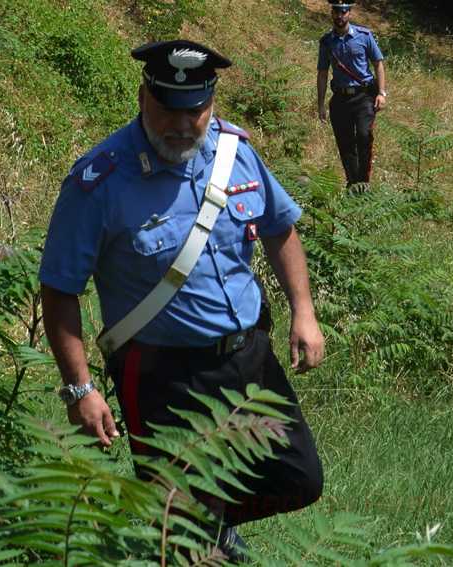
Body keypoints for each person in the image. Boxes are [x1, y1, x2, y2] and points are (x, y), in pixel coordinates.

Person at [39, 39, 325, 558]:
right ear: (144, 97)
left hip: (247, 359)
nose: (182, 123)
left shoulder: (236, 154)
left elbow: (280, 229)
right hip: (161, 374)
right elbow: (60, 290)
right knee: (178, 535)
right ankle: (179, 534)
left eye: (194, 110)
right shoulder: (99, 181)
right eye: (168, 108)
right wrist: (80, 390)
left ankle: (202, 525)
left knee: (301, 479)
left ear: (211, 103)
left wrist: (303, 312)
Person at [317, 0, 387, 189]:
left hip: (363, 96)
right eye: (336, 12)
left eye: (344, 12)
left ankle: (364, 182)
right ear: (332, 13)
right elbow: (322, 73)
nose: (340, 16)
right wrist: (321, 104)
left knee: (364, 136)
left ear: (349, 13)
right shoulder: (326, 42)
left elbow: (378, 63)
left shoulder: (364, 36)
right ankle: (353, 183)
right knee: (345, 142)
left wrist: (381, 92)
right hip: (340, 98)